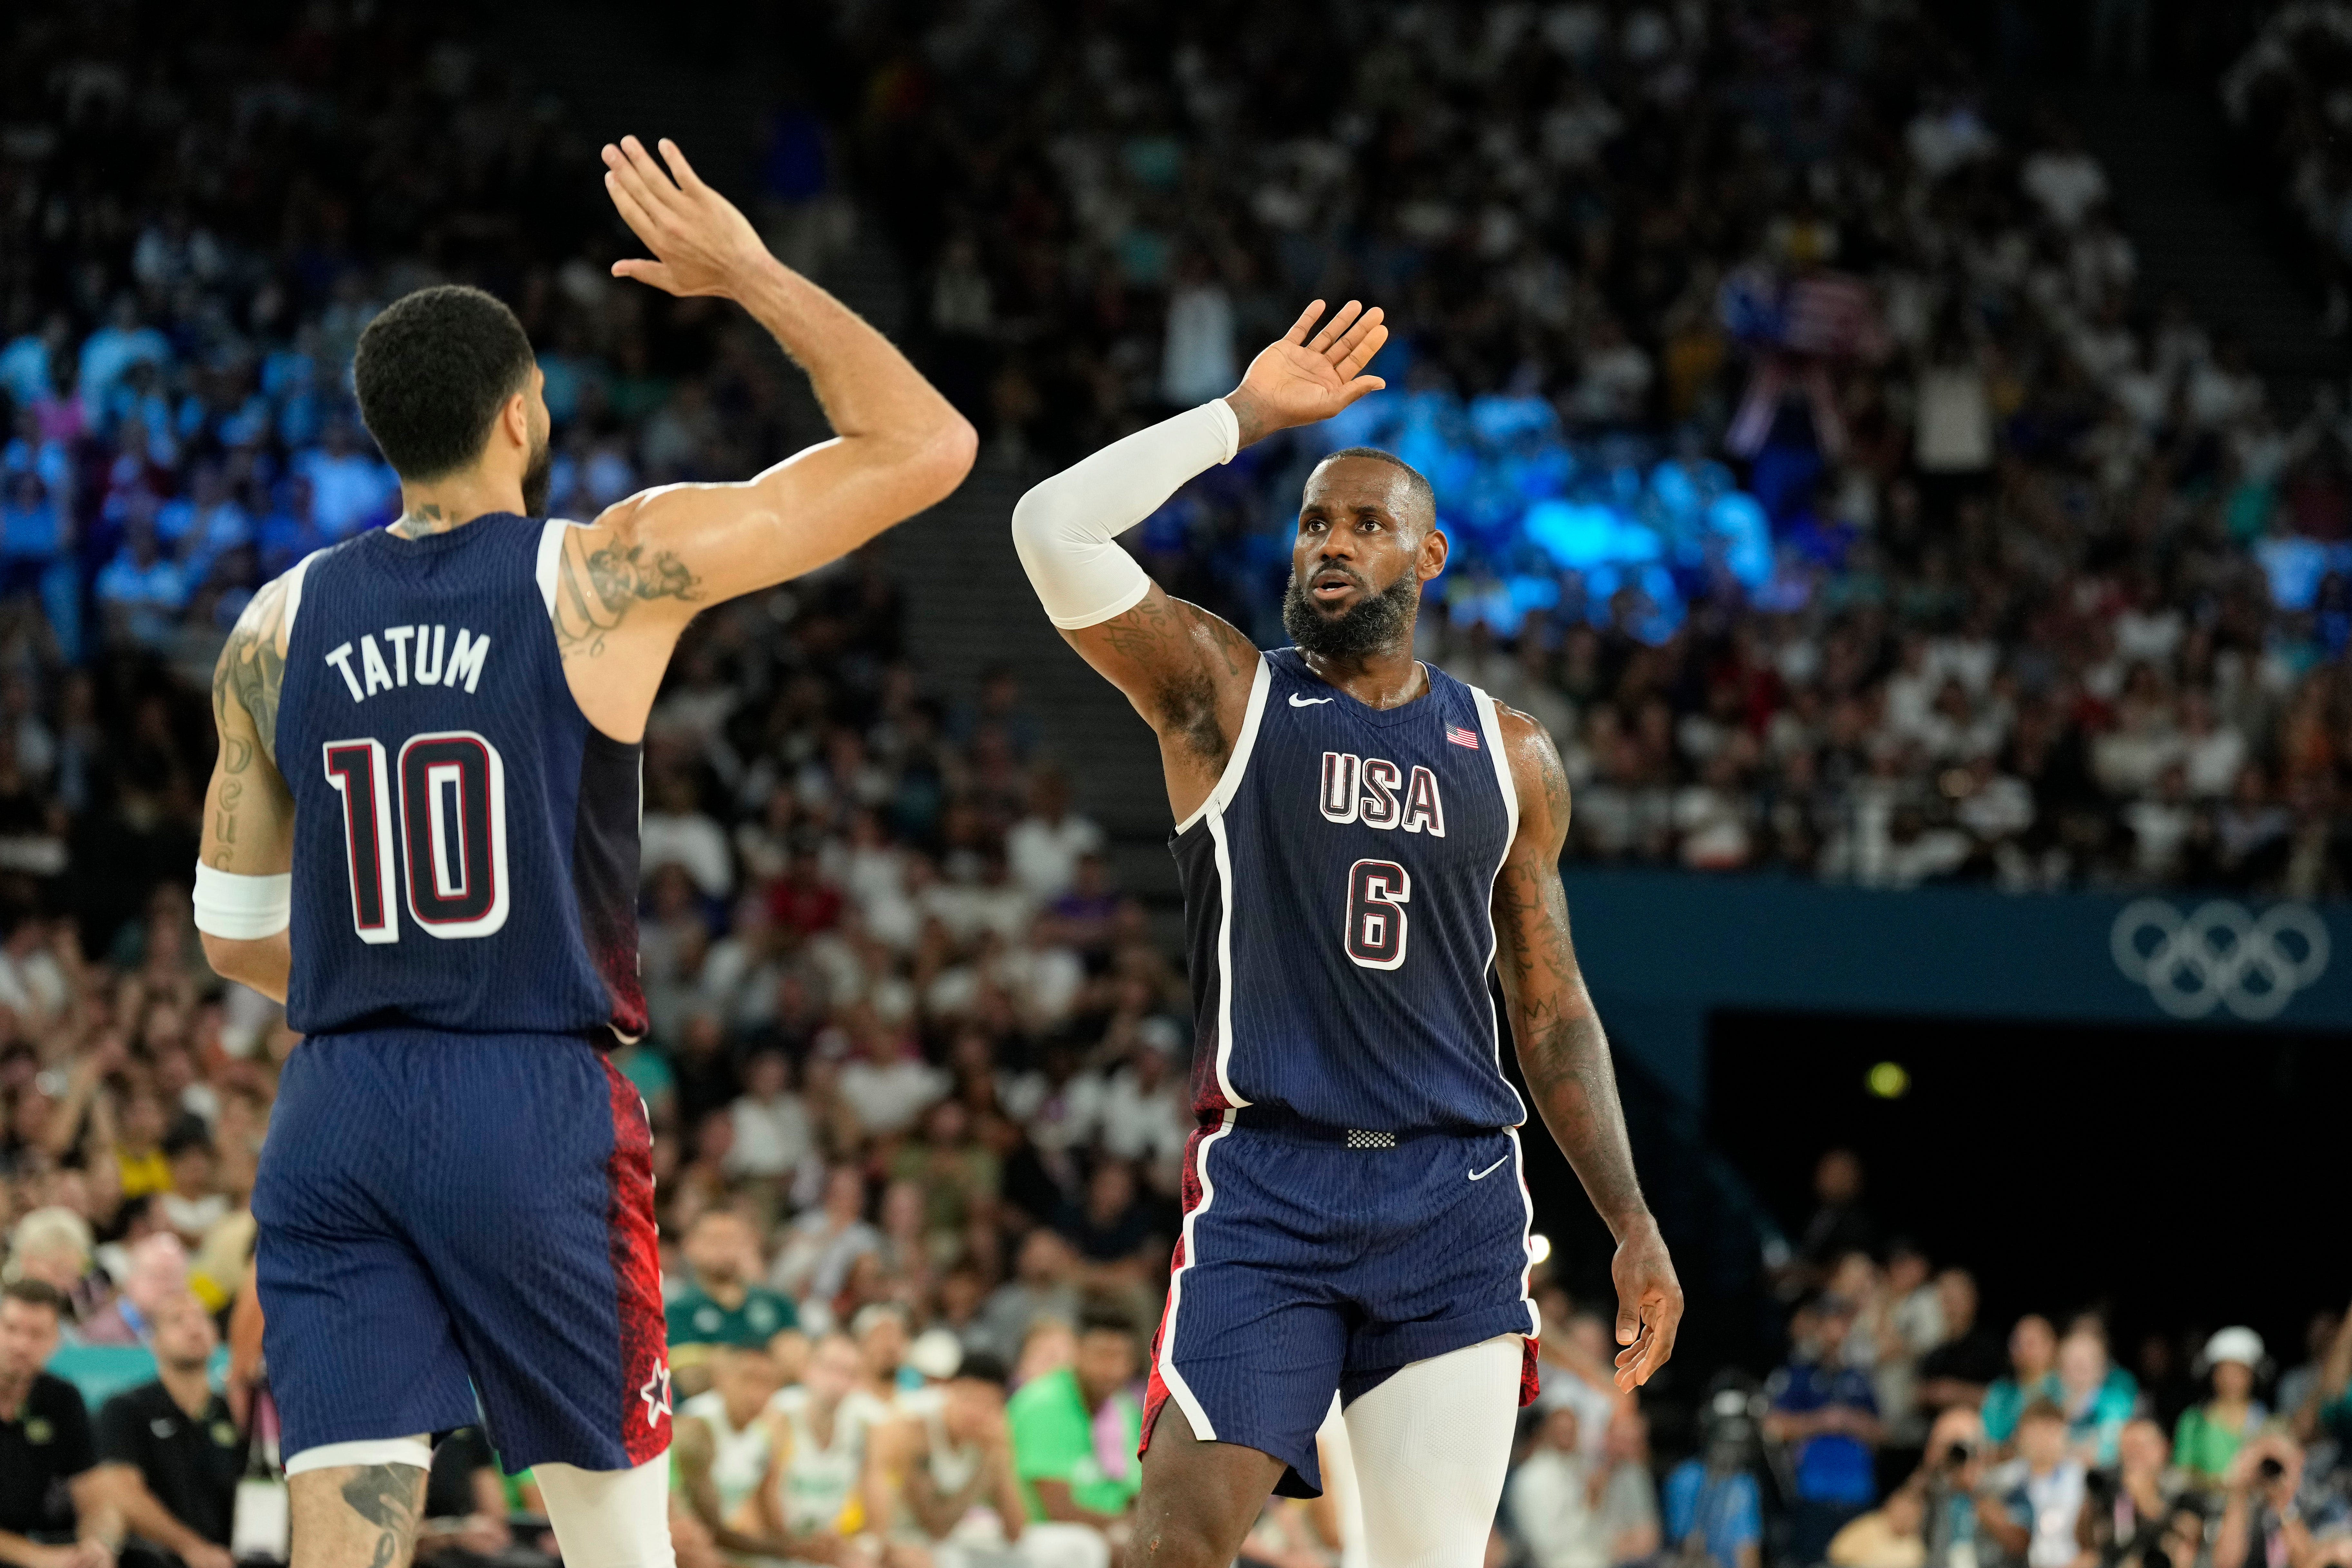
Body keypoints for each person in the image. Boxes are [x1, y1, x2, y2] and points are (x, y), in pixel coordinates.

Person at [193, 134, 973, 1568]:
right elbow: (925, 447)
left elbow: (233, 933)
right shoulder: (601, 572)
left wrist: (391, 989)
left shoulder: (273, 628)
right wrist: (748, 273)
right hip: (528, 1099)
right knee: (618, 1543)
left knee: (342, 1541)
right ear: (516, 418)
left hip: (336, 1103)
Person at [1007, 298, 1681, 1568]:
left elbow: (1550, 1011)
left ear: (1427, 560)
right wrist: (1242, 417)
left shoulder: (1510, 752)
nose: (1333, 542)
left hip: (1456, 1194)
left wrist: (1630, 1217)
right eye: (1316, 519)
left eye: (1369, 524)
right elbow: (1046, 526)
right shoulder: (1225, 694)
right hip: (1270, 1185)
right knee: (1171, 1545)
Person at [92, 1292, 239, 1568]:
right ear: (154, 1341)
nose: (193, 1328)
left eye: (201, 1318)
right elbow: (123, 1494)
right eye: (177, 1321)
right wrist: (193, 1549)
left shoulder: (235, 1411)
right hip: (159, 1558)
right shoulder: (126, 1408)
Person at [0, 1279, 117, 1568]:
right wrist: (41, 1559)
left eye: (37, 1334)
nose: (21, 1345)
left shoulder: (63, 1398)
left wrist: (97, 1545)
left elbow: (95, 1494)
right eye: (11, 1329)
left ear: (57, 1342)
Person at [1005, 1304, 1144, 1542]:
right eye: (1102, 1355)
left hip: (1110, 1531)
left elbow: (1136, 1494)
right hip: (1040, 1536)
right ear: (1077, 1352)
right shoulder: (1041, 1403)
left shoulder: (1123, 1409)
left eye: (1121, 1357)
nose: (1112, 1369)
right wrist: (1124, 1528)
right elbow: (1057, 1511)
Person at [1766, 1296, 1885, 1566]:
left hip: (1857, 1492)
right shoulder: (1798, 1375)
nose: (1835, 1334)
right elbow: (1774, 1426)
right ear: (1817, 1330)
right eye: (1828, 1326)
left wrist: (1851, 1422)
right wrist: (1823, 1421)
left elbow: (1882, 1432)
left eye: (1841, 1326)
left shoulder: (1860, 1378)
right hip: (1813, 1493)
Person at [755, 1331, 891, 1564]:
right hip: (778, 1546)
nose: (837, 1382)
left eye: (849, 1373)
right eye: (830, 1368)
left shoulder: (864, 1423)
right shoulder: (780, 1413)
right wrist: (795, 1546)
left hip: (829, 1542)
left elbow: (876, 1489)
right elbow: (762, 1496)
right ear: (807, 1369)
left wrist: (868, 1546)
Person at [670, 1347, 787, 1560]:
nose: (756, 1395)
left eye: (767, 1384)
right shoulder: (695, 1426)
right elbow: (711, 1528)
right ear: (723, 1379)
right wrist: (796, 1550)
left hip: (716, 1547)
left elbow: (766, 1520)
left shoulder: (762, 1437)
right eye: (748, 1380)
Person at [666, 1210, 799, 1396]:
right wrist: (766, 1362)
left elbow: (798, 1364)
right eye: (714, 1239)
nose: (723, 1248)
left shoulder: (778, 1302)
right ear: (690, 1245)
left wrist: (720, 1362)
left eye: (733, 1239)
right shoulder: (677, 1310)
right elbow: (691, 1380)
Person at [1979, 1401, 2086, 1568]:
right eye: (2036, 1433)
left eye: (2052, 1432)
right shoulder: (2000, 1480)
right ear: (2020, 1436)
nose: (2044, 1441)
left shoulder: (2081, 1480)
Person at [2176, 1329, 2269, 1492]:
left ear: (2252, 1375)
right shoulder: (2194, 1420)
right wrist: (2216, 1485)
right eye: (2224, 1371)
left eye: (2239, 1372)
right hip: (2205, 1507)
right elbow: (2181, 1473)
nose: (2230, 1380)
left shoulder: (2267, 1419)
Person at [1982, 1318, 2060, 1449]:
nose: (2023, 1350)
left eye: (2031, 1343)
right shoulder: (2001, 1392)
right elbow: (1988, 1437)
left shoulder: (2063, 1388)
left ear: (2050, 1346)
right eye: (2017, 1343)